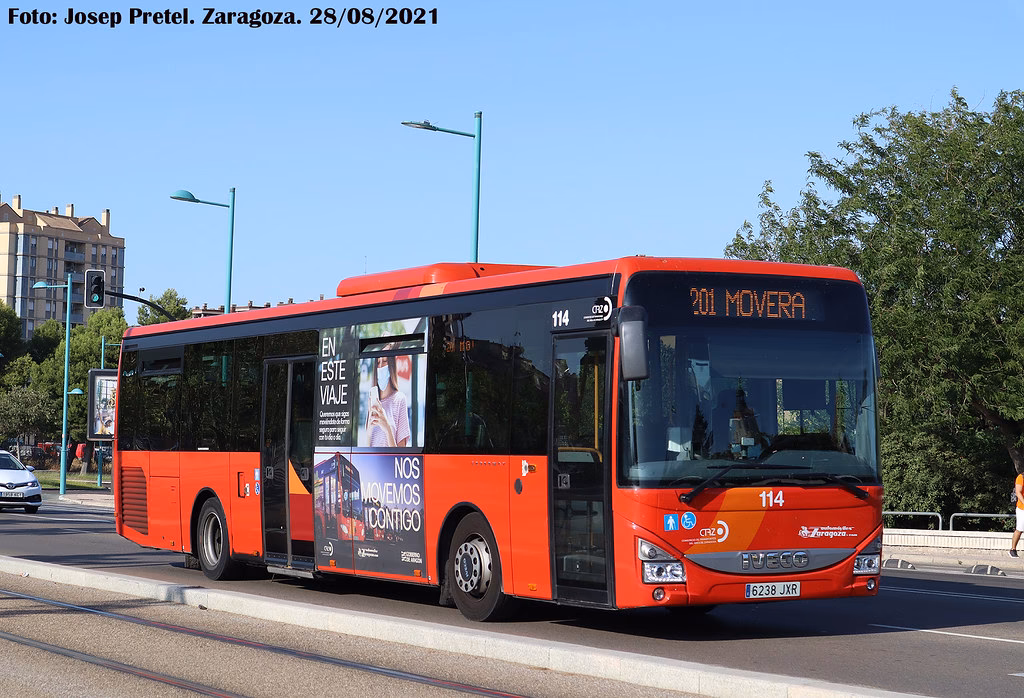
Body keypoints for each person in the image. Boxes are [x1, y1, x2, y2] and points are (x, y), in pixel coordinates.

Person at [365, 353, 411, 448]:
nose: (380, 366)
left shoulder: (400, 400)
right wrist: (369, 430)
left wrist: (387, 427)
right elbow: (367, 449)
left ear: (391, 366)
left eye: (385, 361)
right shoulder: (372, 401)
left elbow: (400, 455)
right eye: (378, 362)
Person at [1011, 471, 1024, 558]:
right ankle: (1013, 549)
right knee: (1020, 529)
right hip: (1022, 508)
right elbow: (1018, 492)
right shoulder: (1021, 477)